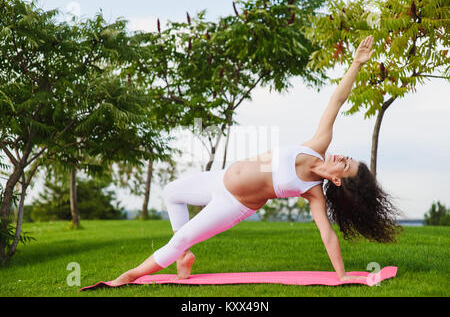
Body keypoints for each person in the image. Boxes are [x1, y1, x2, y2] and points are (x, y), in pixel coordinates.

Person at [110, 35, 401, 286]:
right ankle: (184, 260)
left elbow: (327, 235)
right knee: (171, 193)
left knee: (180, 239)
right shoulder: (317, 146)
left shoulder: (312, 193)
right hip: (219, 178)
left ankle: (130, 275)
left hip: (233, 204)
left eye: (346, 164)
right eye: (348, 157)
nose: (342, 157)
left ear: (337, 179)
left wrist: (341, 275)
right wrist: (356, 64)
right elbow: (336, 101)